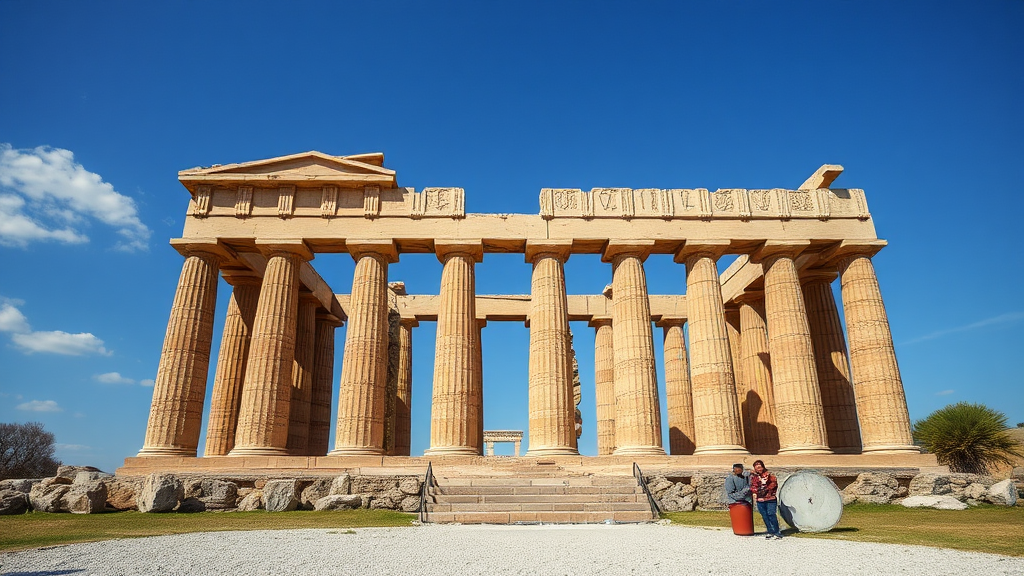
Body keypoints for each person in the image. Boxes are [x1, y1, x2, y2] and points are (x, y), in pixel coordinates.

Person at [751, 459, 782, 539]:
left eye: (759, 467)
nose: (759, 469)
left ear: (763, 467)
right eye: (756, 468)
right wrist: (755, 492)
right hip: (760, 500)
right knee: (765, 516)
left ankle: (777, 531)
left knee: (771, 514)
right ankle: (770, 531)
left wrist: (765, 488)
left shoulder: (770, 475)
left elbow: (773, 485)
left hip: (770, 499)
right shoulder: (755, 477)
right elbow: (753, 486)